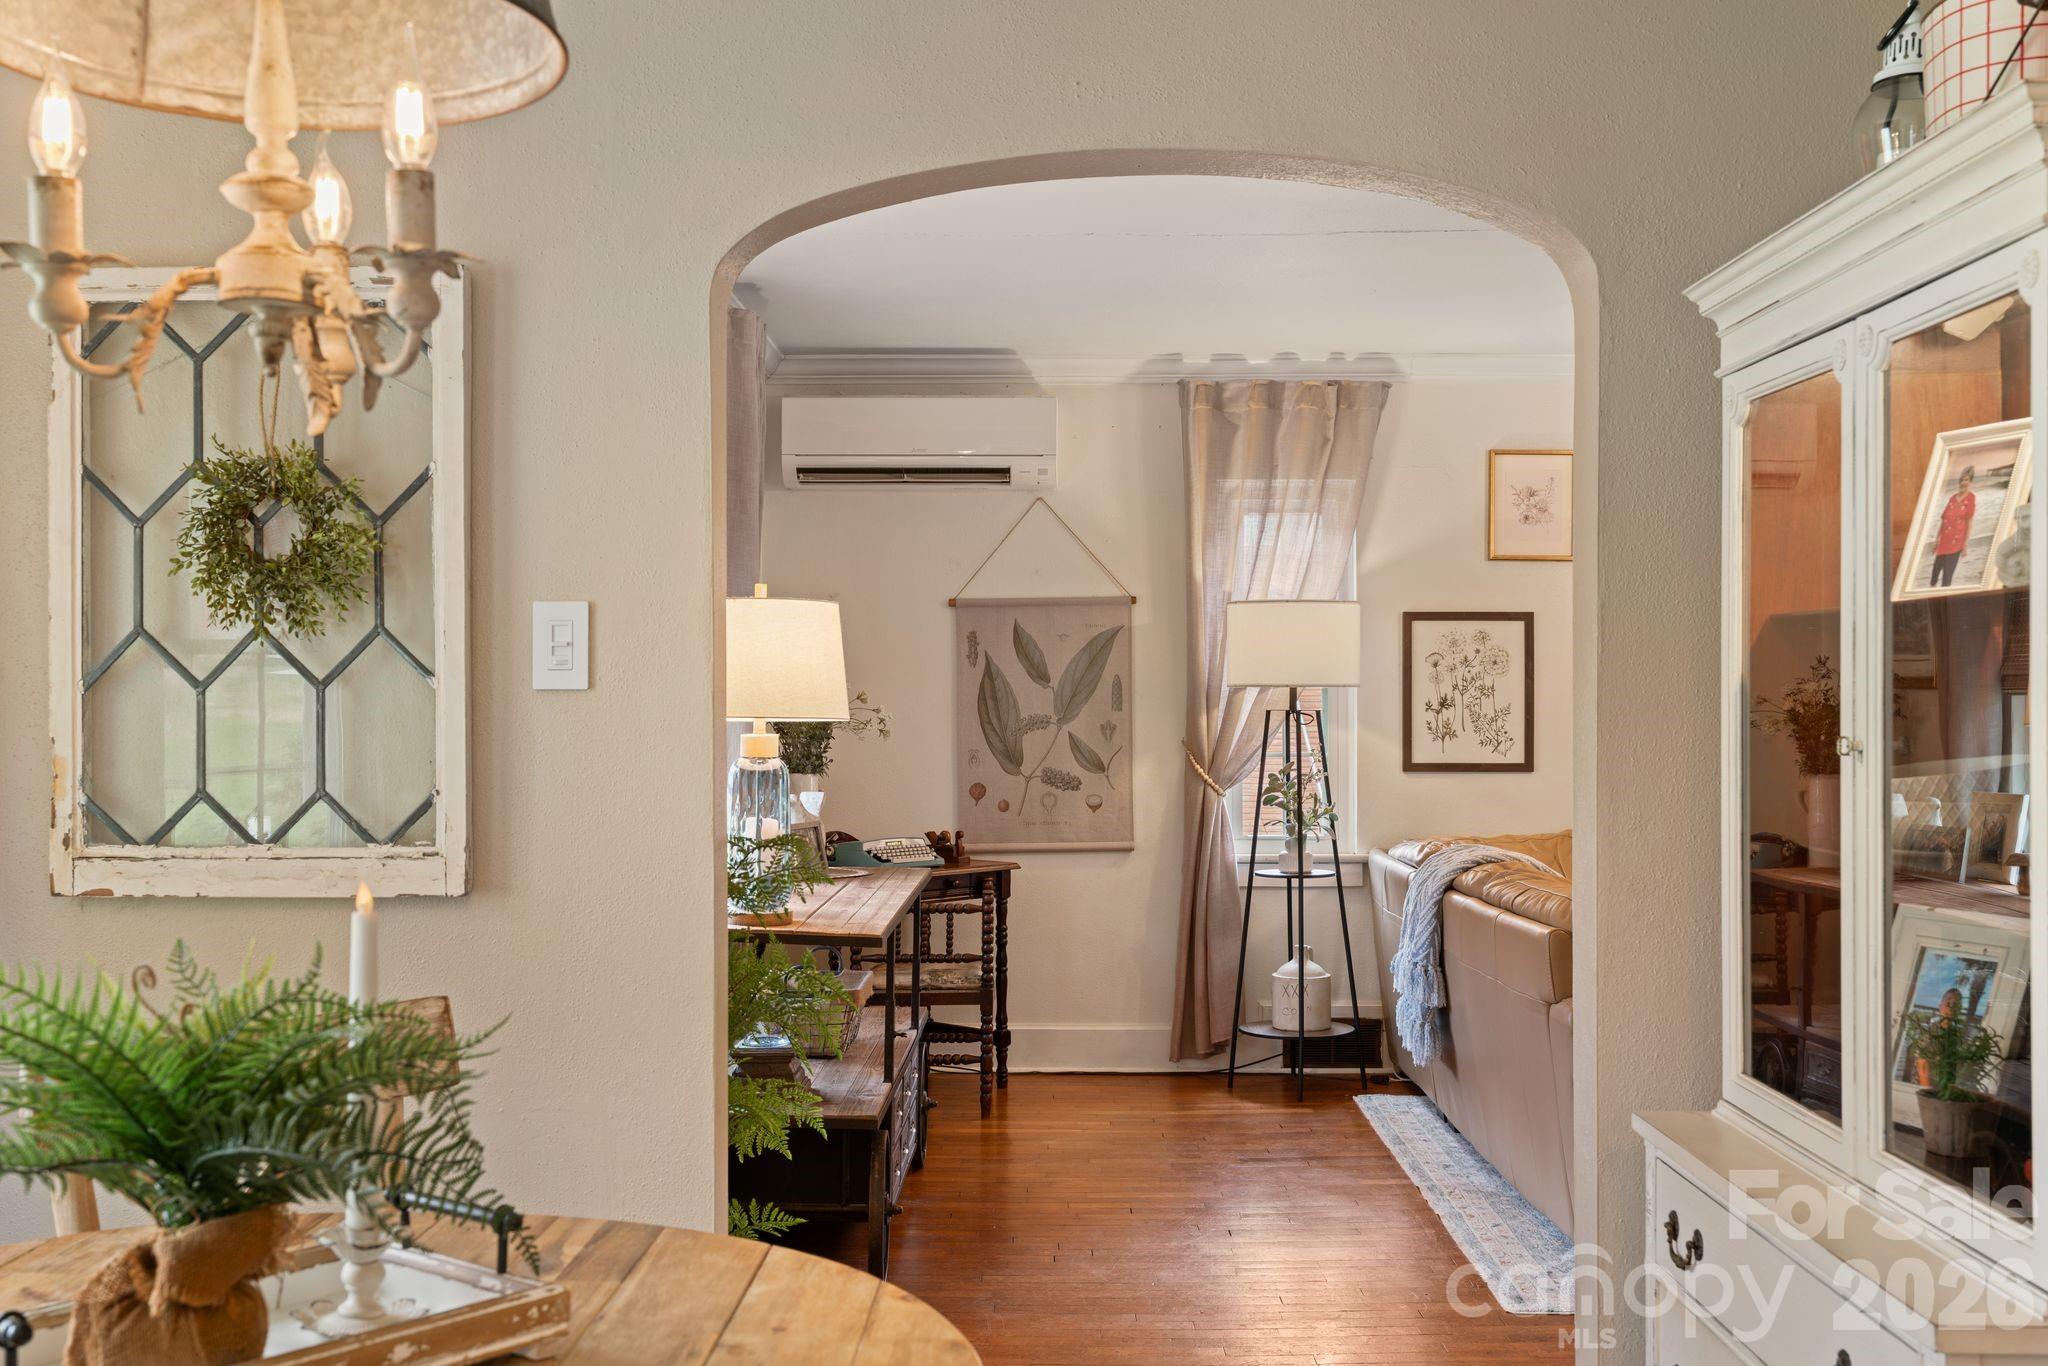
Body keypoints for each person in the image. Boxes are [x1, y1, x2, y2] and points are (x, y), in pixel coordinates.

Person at [1930, 465, 1978, 588]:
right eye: (1961, 480)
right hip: (1944, 541)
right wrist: (1937, 540)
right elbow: (1944, 520)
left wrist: (1965, 545)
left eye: (1966, 480)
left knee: (1947, 577)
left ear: (1970, 481)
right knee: (1934, 574)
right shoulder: (1952, 498)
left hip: (1956, 542)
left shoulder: (1971, 498)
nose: (1963, 482)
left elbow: (1969, 522)